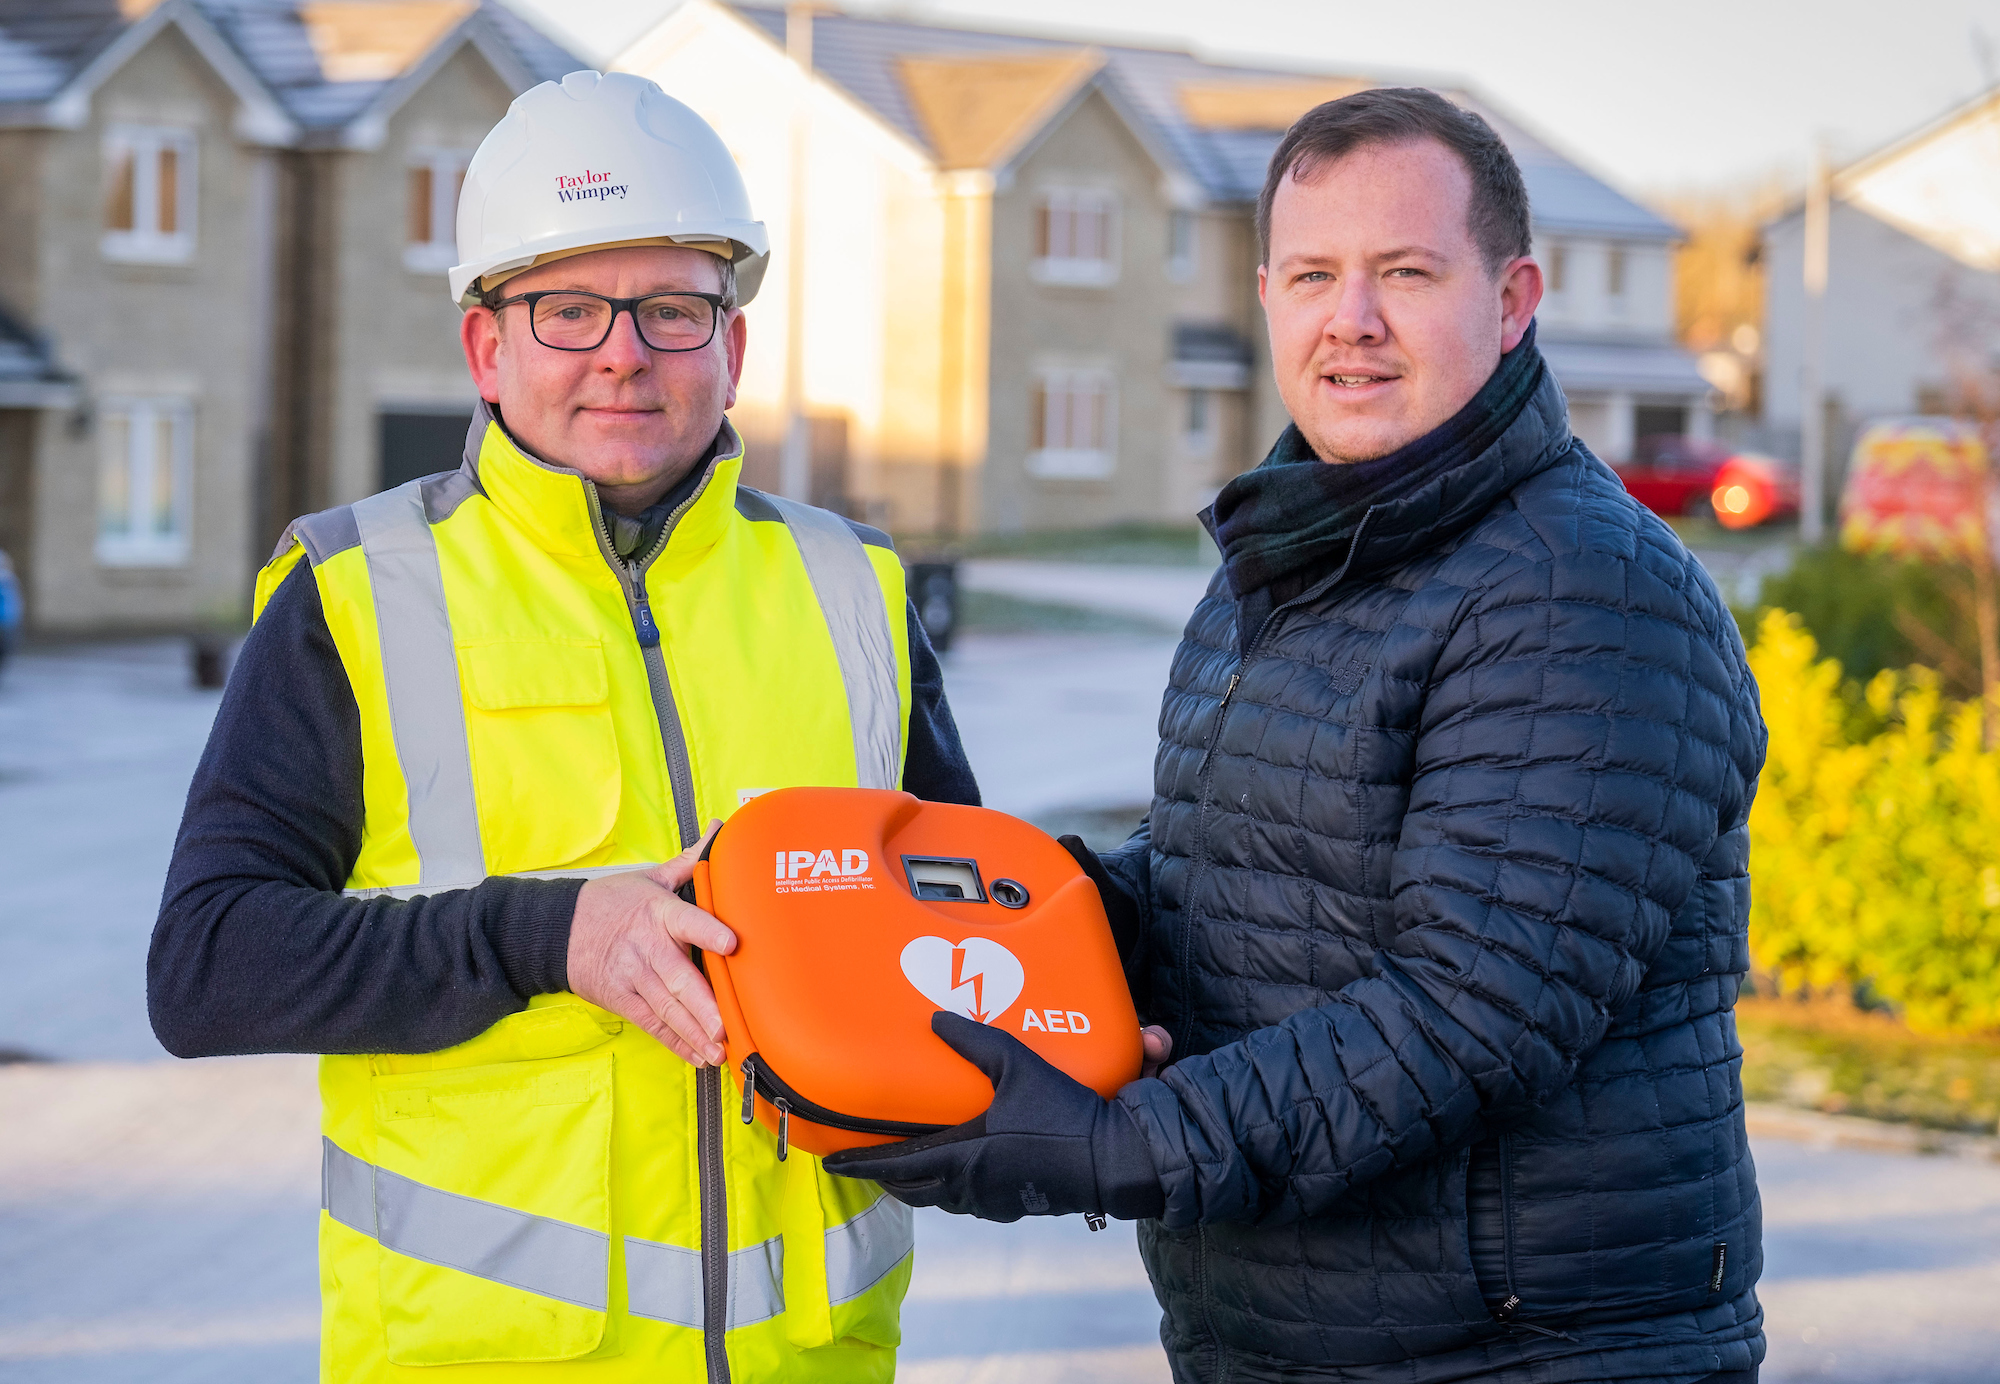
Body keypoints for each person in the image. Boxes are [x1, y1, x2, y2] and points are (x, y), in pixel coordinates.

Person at [830, 87, 1769, 1384]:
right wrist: (1001, 918)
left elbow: (1463, 1018)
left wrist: (1108, 1148)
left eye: (1406, 273)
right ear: (1266, 295)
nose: (1354, 321)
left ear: (1512, 300)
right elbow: (1230, 876)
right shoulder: (1293, 555)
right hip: (1294, 1338)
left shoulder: (1579, 592)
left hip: (1517, 1354)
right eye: (1316, 274)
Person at [150, 69, 979, 1383]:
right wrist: (544, 933)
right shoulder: (356, 594)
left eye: (670, 308)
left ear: (733, 344)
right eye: (568, 310)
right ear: (489, 348)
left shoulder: (851, 590)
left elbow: (962, 929)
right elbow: (207, 968)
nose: (623, 351)